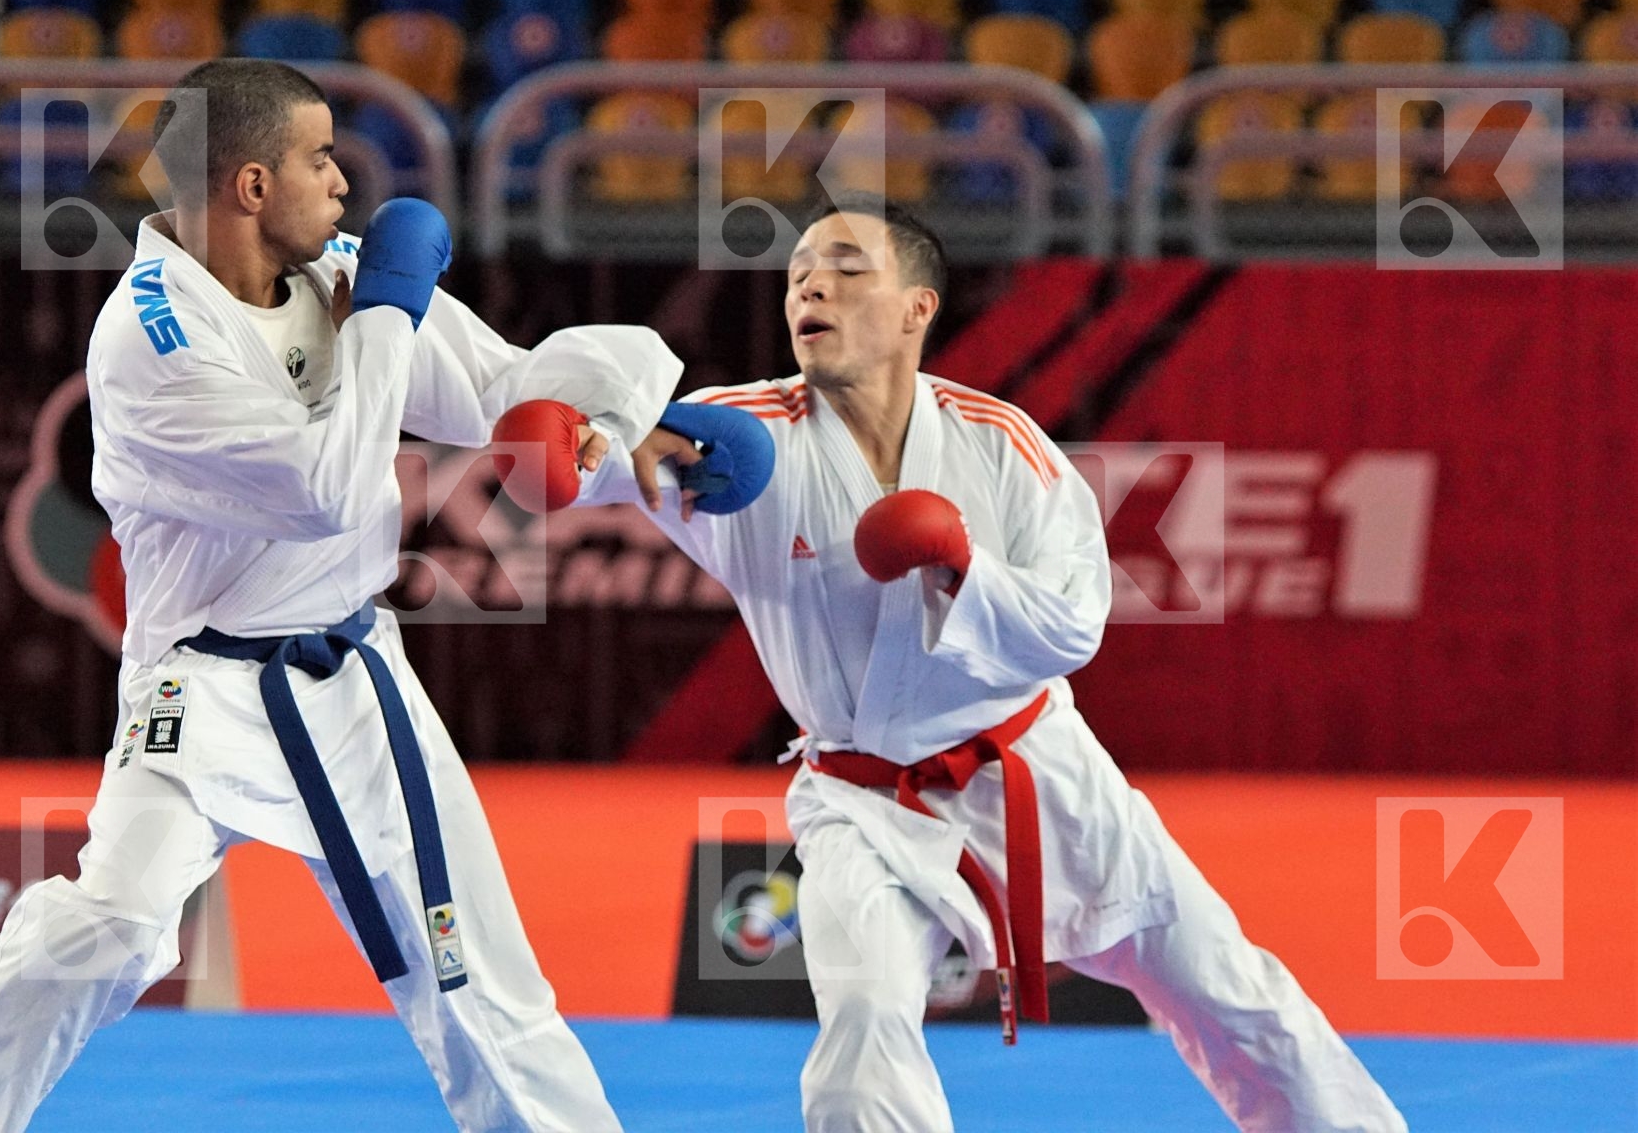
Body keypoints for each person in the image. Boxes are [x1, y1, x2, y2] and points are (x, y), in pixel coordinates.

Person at [538, 194, 1409, 1132]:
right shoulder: (740, 439)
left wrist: (964, 568)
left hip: (1035, 772)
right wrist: (582, 442)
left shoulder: (1001, 443)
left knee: (1225, 986)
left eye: (844, 268)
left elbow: (1073, 626)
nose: (810, 289)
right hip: (860, 801)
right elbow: (600, 450)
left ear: (918, 307)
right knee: (863, 1027)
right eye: (797, 276)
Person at [0, 57, 691, 1132]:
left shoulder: (333, 272)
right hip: (199, 692)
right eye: (321, 158)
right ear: (252, 186)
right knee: (108, 927)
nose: (344, 183)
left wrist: (635, 426)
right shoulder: (152, 341)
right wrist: (385, 315)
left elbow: (496, 386)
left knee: (474, 981)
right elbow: (325, 491)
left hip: (355, 678)